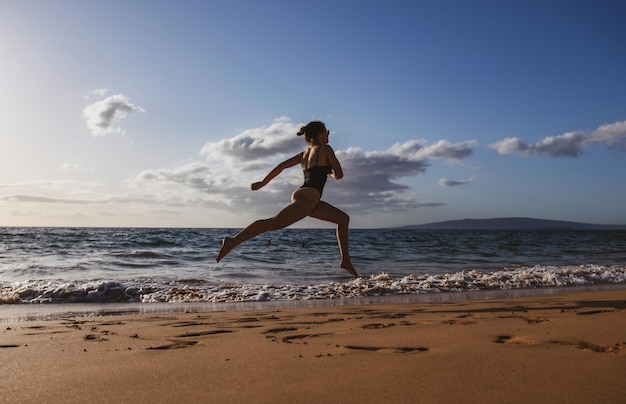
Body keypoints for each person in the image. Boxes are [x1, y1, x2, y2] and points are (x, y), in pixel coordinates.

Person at [216, 121, 358, 277]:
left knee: (343, 219)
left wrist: (263, 183)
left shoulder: (303, 154)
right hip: (308, 198)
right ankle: (232, 241)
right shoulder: (326, 149)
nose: (328, 134)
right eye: (326, 132)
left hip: (308, 198)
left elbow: (281, 166)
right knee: (272, 223)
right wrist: (330, 174)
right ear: (319, 134)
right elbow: (339, 174)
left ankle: (345, 260)